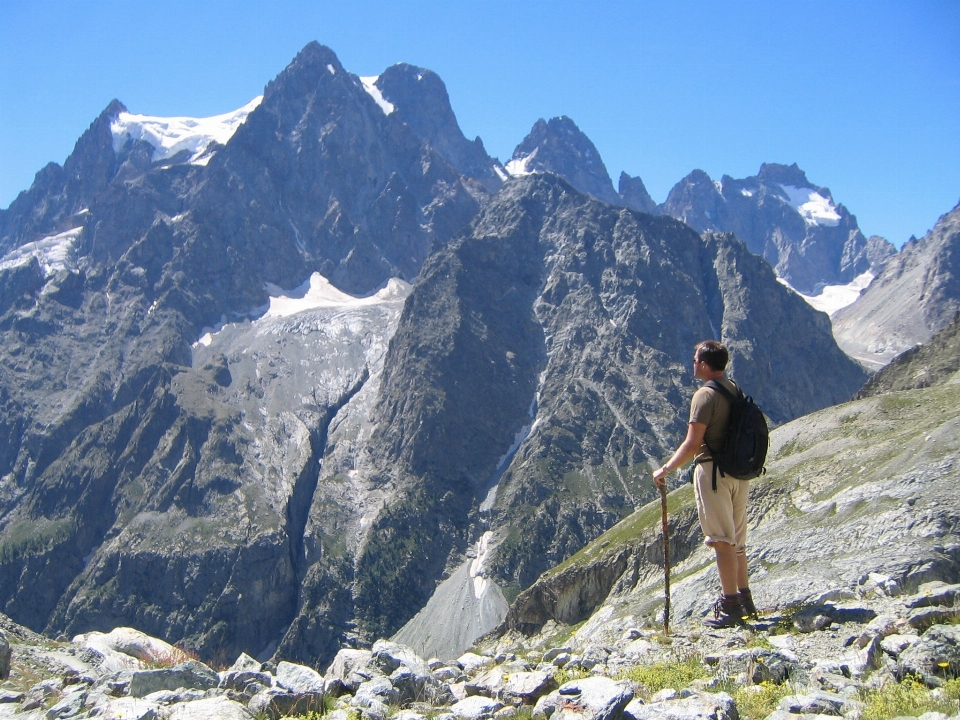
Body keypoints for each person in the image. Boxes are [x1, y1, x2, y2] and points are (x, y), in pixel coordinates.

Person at [652, 340, 757, 628]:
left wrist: (665, 469)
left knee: (721, 541)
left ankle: (730, 606)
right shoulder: (733, 388)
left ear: (705, 364)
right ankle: (746, 600)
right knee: (736, 542)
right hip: (739, 472)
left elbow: (693, 443)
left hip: (713, 473)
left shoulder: (704, 395)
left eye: (695, 358)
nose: (693, 362)